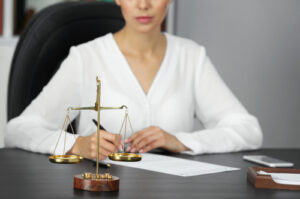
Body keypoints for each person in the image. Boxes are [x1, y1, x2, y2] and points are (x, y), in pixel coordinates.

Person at [5, 0, 263, 160]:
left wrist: (181, 141)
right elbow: (18, 129)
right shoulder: (86, 58)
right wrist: (76, 144)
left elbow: (248, 130)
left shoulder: (191, 57)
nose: (143, 4)